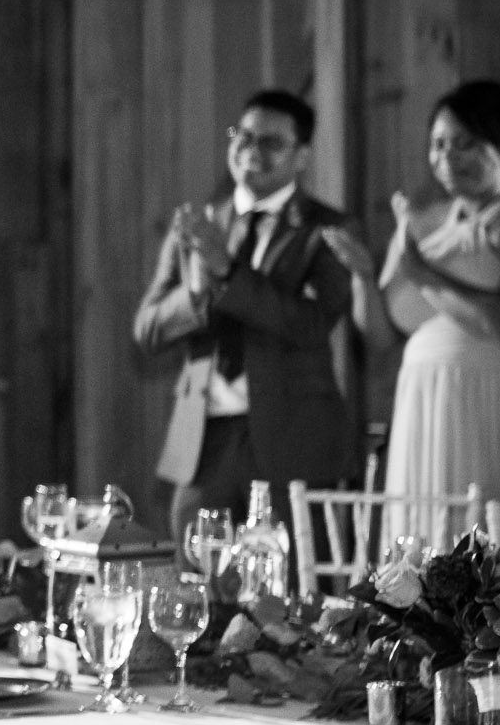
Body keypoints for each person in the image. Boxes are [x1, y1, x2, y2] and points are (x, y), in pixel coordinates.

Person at [132, 89, 358, 545]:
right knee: (198, 575)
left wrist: (229, 272)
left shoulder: (327, 230)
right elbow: (148, 330)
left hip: (290, 438)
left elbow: (312, 324)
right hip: (205, 440)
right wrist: (197, 293)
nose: (252, 151)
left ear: (302, 156)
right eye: (244, 137)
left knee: (288, 581)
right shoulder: (199, 224)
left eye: (271, 143)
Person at [376, 80, 500, 546]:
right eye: (439, 144)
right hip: (427, 400)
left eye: (465, 143)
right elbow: (395, 321)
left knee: (483, 537)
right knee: (425, 543)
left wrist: (425, 274)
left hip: (483, 395)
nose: (448, 157)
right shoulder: (435, 218)